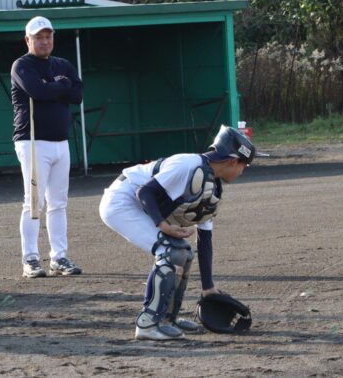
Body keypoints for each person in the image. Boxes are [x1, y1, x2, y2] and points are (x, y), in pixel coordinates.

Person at [99, 125, 256, 341]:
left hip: (141, 204)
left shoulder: (211, 186)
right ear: (232, 161)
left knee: (185, 252)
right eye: (243, 165)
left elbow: (205, 239)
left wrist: (208, 287)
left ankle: (167, 319)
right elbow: (144, 192)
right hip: (120, 201)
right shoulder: (188, 165)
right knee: (170, 251)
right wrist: (163, 225)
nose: (242, 171)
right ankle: (148, 323)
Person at [11, 15, 84, 278]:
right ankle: (30, 259)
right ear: (27, 40)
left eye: (48, 36)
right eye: (38, 37)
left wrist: (53, 86)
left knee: (58, 203)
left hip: (60, 142)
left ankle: (59, 257)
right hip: (32, 142)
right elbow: (38, 92)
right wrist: (61, 84)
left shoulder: (62, 63)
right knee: (34, 202)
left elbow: (77, 95)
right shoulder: (22, 65)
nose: (44, 41)